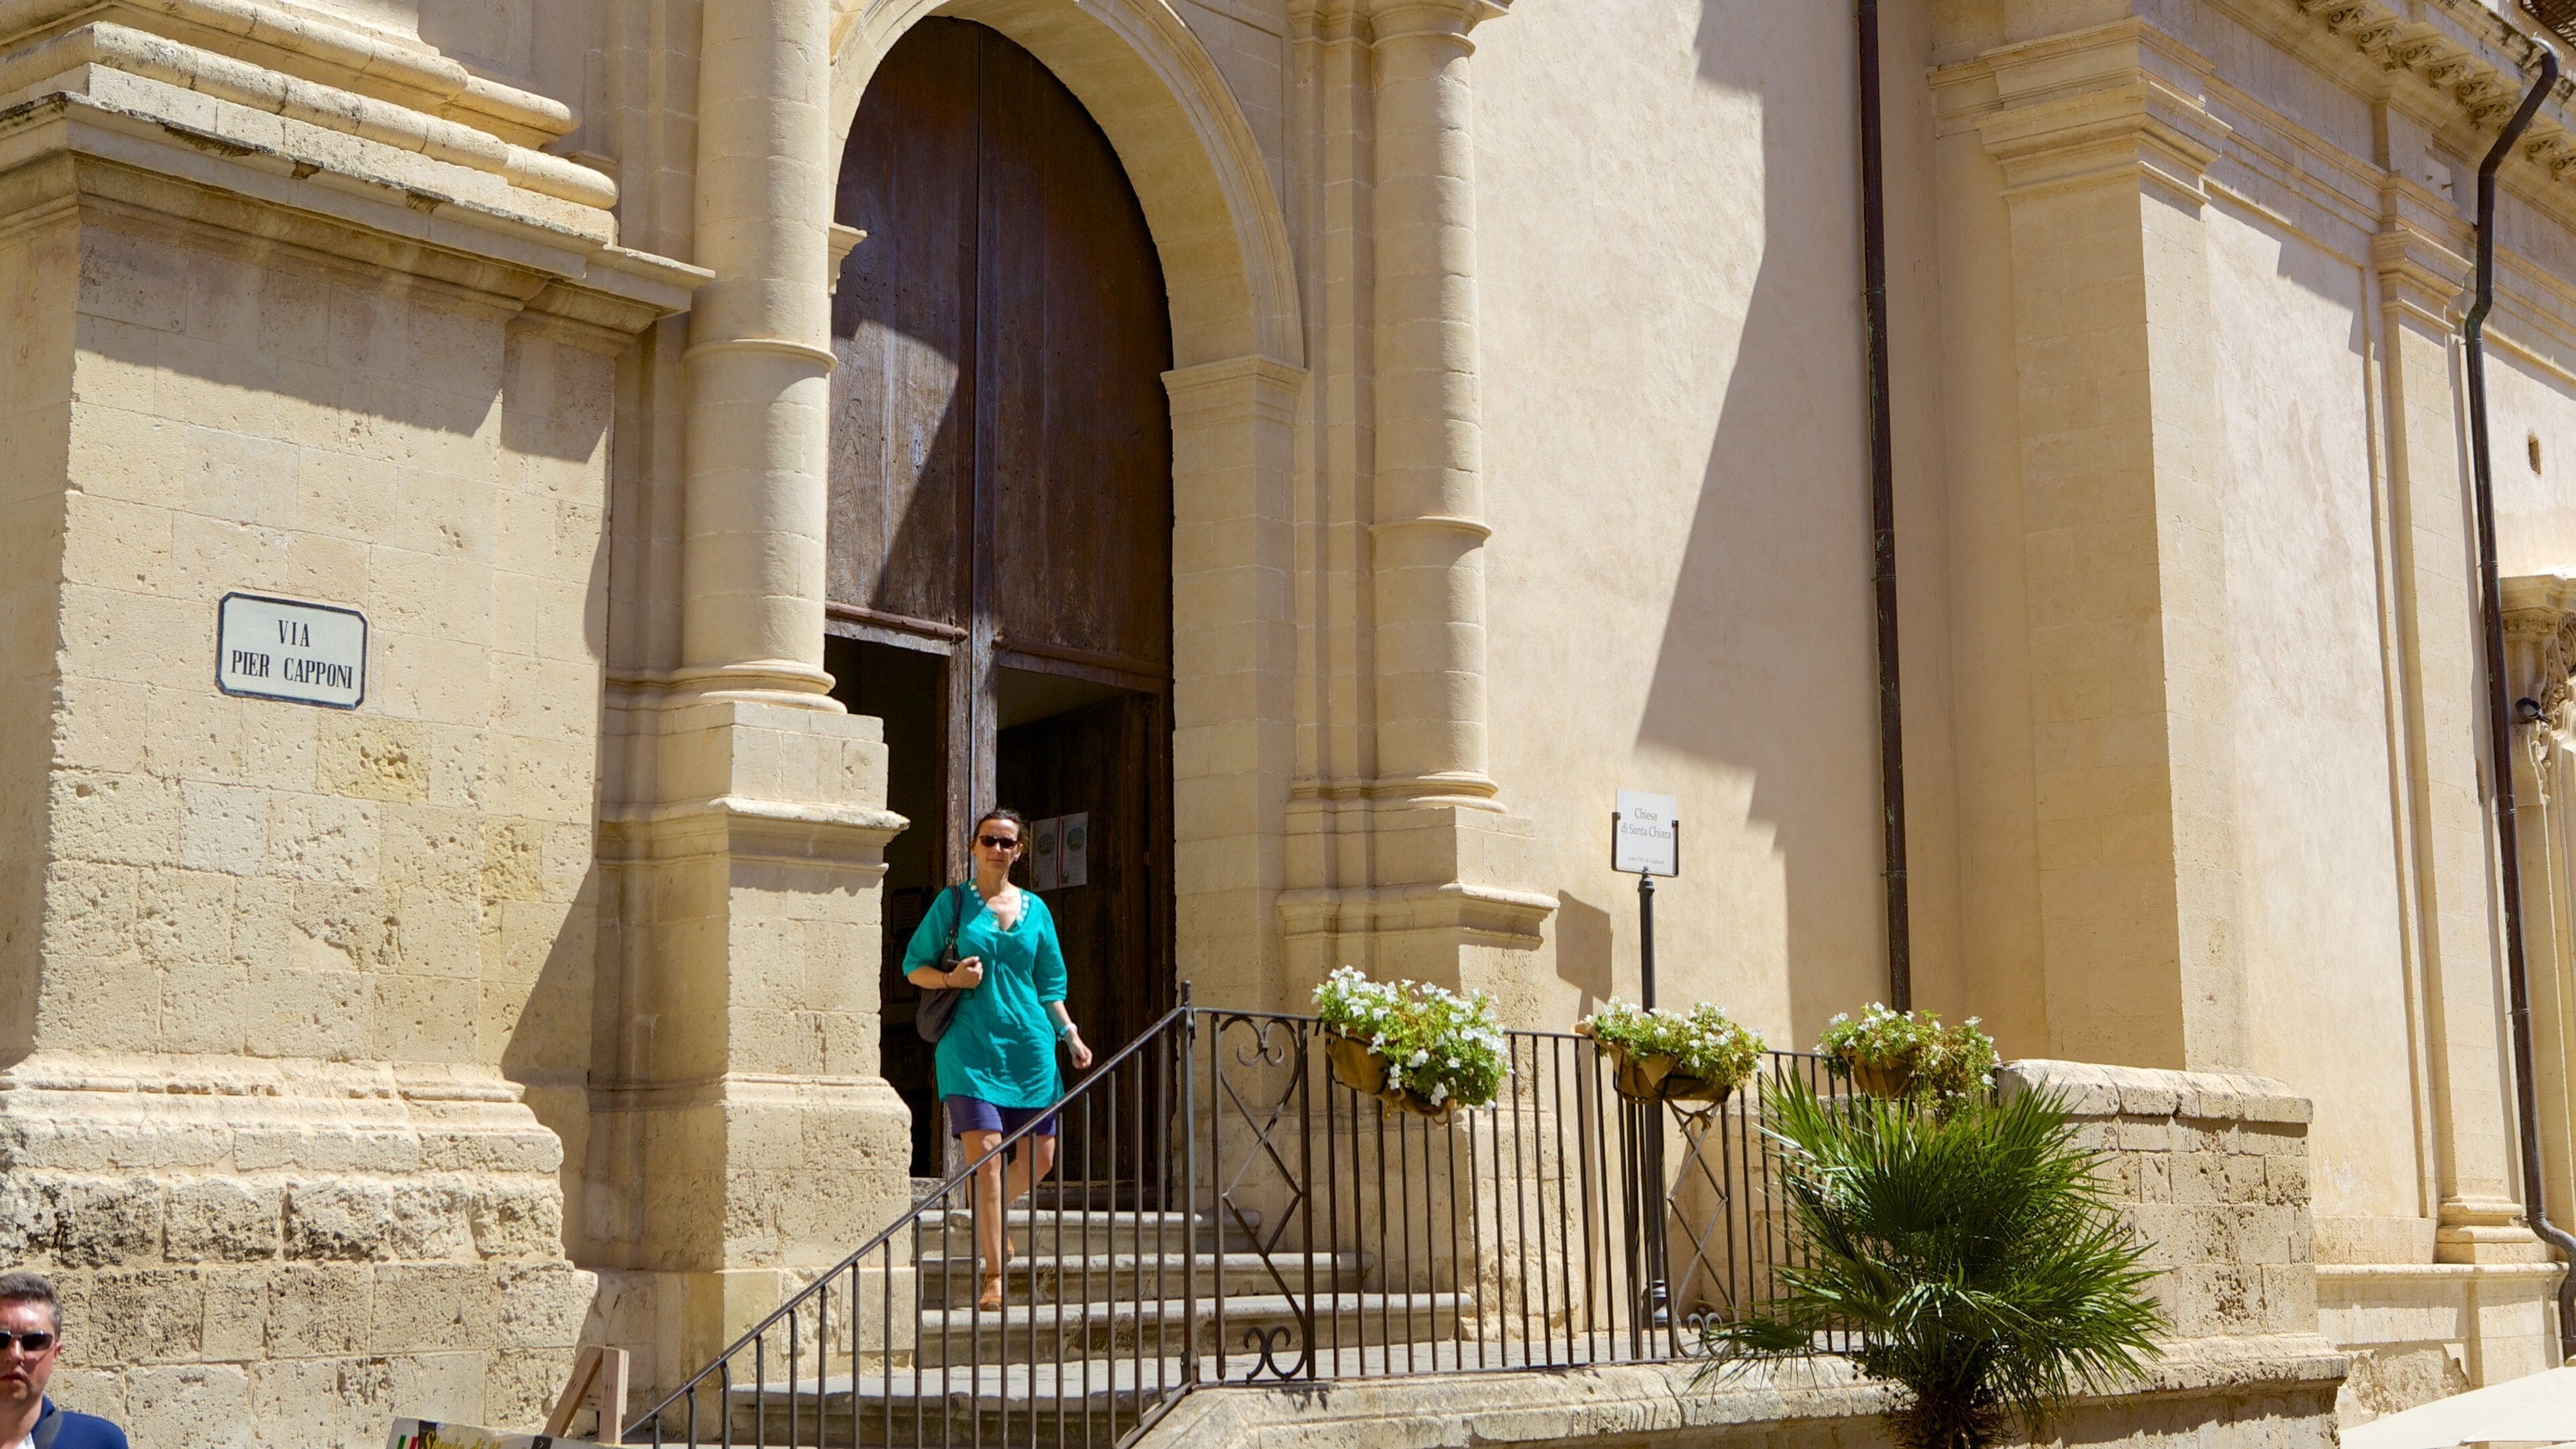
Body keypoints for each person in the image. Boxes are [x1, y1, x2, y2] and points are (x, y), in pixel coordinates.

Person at [903, 807, 1094, 1310]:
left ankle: (989, 1213)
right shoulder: (952, 904)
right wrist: (951, 979)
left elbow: (1049, 985)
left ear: (1020, 852)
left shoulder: (1037, 910)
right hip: (969, 1049)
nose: (997, 849)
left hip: (1030, 1049)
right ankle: (994, 1276)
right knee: (986, 1158)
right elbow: (913, 967)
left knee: (1041, 1160)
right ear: (974, 847)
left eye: (1007, 842)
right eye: (989, 840)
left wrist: (1070, 1035)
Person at [0, 1271, 127, 1448]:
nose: (15, 1354)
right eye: (1, 1339)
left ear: (56, 1353)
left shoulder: (99, 1442)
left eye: (34, 1341)